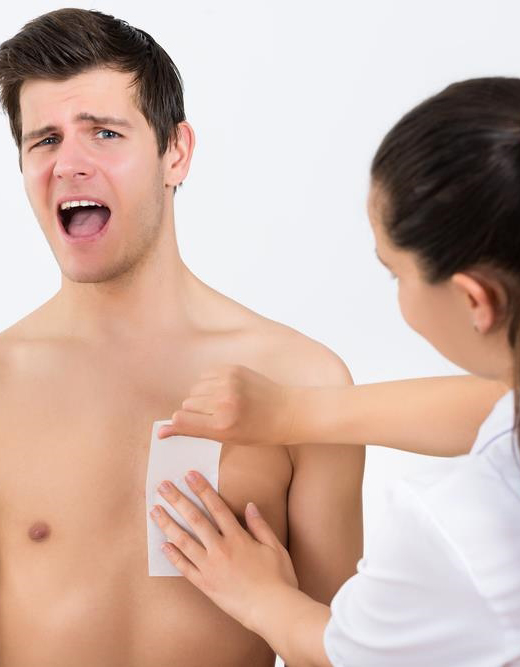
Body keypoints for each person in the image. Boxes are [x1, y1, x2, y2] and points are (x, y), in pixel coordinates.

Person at [0, 8, 368, 666]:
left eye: (104, 132)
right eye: (44, 140)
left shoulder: (302, 382)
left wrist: (265, 599)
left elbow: (348, 654)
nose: (69, 163)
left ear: (176, 151)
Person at [151, 77, 520, 666]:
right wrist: (294, 411)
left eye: (395, 272)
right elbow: (498, 412)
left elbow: (347, 654)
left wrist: (261, 596)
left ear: (475, 301)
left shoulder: (462, 530)